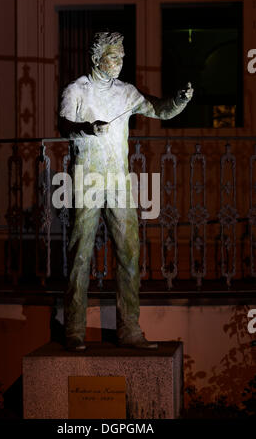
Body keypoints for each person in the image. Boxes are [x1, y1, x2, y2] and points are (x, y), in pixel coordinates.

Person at [59, 31, 193, 351]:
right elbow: (63, 124)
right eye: (114, 57)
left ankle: (129, 328)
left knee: (129, 254)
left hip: (118, 182)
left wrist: (179, 100)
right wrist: (86, 128)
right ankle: (75, 329)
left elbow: (159, 110)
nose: (120, 63)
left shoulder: (125, 92)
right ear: (96, 59)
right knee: (81, 255)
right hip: (87, 180)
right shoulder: (77, 90)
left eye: (122, 57)